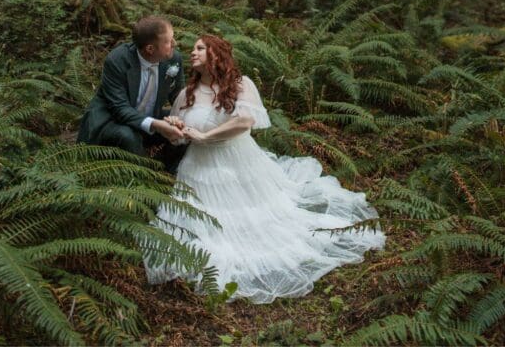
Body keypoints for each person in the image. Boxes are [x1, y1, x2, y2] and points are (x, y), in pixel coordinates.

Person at [145, 34, 385, 303]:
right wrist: (175, 128)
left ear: (217, 53)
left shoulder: (240, 84)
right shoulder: (185, 94)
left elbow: (244, 121)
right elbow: (177, 138)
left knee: (259, 221)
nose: (192, 52)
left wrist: (205, 137)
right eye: (193, 49)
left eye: (201, 48)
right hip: (199, 167)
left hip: (237, 160)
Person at [77, 15, 187, 172]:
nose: (174, 44)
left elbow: (178, 96)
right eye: (169, 41)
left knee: (188, 124)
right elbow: (120, 109)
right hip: (112, 120)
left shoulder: (173, 59)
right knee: (128, 136)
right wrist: (156, 125)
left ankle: (165, 170)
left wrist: (178, 116)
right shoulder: (117, 60)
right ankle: (144, 179)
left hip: (150, 115)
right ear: (150, 49)